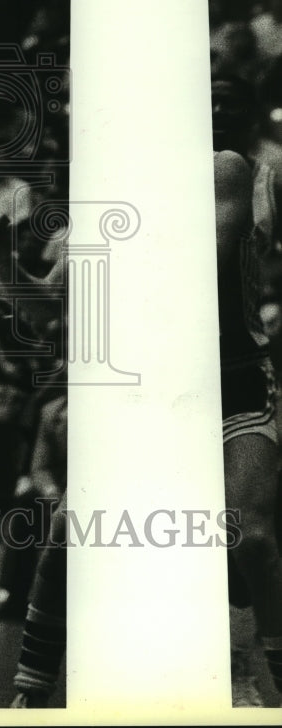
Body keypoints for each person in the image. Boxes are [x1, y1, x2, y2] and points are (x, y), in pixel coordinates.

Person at [212, 75, 282, 707]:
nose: (217, 111)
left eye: (231, 103)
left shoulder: (259, 169)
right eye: (209, 100)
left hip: (240, 362)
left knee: (251, 532)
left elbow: (216, 257)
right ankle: (233, 671)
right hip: (172, 374)